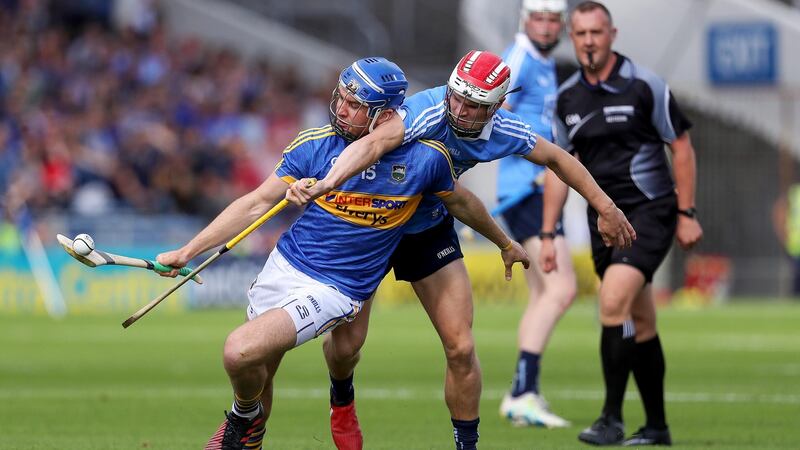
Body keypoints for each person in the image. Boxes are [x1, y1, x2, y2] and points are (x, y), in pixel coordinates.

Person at [155, 57, 530, 450]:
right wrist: (188, 250)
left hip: (339, 286)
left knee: (239, 351)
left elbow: (464, 204)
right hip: (287, 265)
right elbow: (254, 204)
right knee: (263, 370)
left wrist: (505, 243)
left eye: (355, 104)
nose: (341, 108)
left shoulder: (425, 158)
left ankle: (242, 417)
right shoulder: (314, 144)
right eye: (341, 97)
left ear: (384, 116)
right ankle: (255, 422)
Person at [287, 50, 636, 450]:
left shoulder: (505, 128)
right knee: (348, 346)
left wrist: (606, 208)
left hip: (429, 230)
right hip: (374, 224)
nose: (459, 109)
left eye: (473, 105)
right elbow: (375, 143)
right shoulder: (426, 111)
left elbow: (557, 158)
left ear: (497, 106)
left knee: (462, 347)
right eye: (456, 96)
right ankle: (342, 399)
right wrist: (328, 182)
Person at [541, 1, 703, 446]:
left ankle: (610, 418)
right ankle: (657, 428)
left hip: (651, 213)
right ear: (572, 39)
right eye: (581, 34)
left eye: (597, 32)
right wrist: (548, 233)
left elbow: (682, 146)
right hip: (604, 224)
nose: (589, 41)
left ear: (612, 34)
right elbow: (557, 166)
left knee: (612, 301)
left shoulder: (645, 85)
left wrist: (687, 213)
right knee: (641, 321)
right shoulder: (567, 98)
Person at [495, 0, 575, 428]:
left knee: (544, 294)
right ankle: (523, 391)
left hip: (533, 189)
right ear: (526, 20)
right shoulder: (522, 57)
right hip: (528, 190)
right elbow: (492, 117)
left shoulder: (542, 61)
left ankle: (523, 392)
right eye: (538, 18)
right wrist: (536, 167)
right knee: (561, 289)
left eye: (552, 19)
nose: (545, 26)